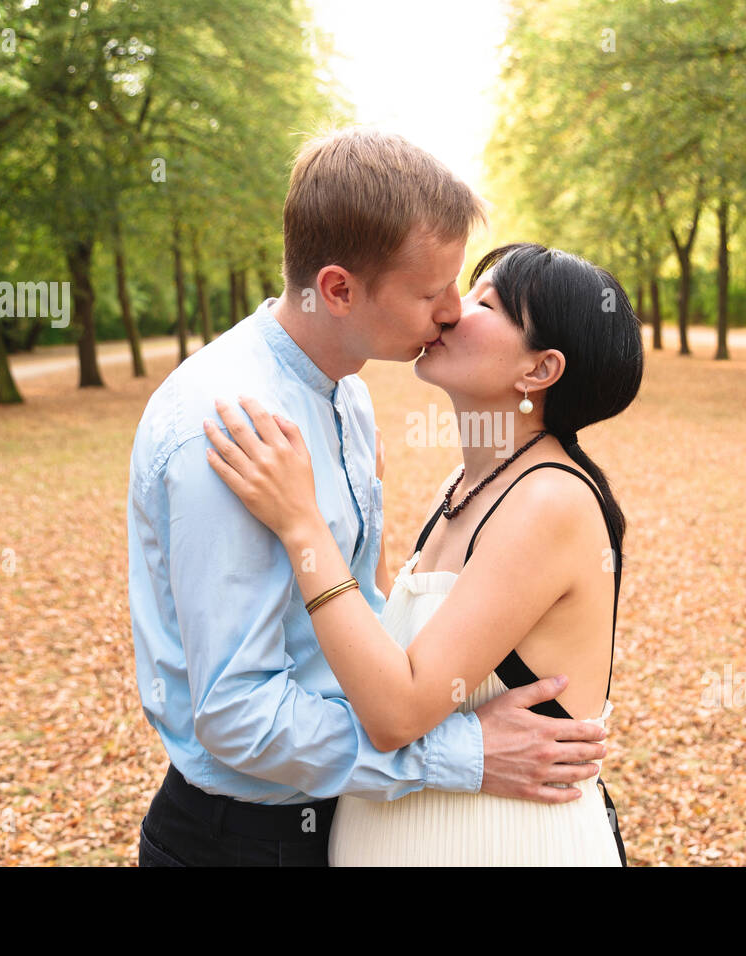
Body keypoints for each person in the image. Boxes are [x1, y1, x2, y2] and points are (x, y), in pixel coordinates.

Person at [128, 129, 611, 867]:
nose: (451, 312)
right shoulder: (226, 428)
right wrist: (461, 754)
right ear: (339, 289)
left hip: (347, 812)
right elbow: (236, 716)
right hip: (244, 841)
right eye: (433, 293)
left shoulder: (348, 399)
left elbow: (374, 620)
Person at [204, 241, 643, 864]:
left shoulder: (550, 501)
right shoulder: (464, 486)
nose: (453, 310)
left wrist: (302, 525)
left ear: (539, 371)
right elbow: (397, 652)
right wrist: (369, 510)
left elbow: (398, 711)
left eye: (487, 302)